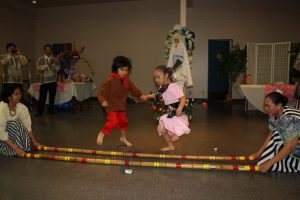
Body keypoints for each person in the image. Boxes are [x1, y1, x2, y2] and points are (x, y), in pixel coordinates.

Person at [96, 56, 144, 147]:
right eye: (122, 70)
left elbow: (134, 89)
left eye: (126, 70)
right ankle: (102, 133)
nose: (124, 72)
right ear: (116, 69)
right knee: (113, 122)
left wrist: (140, 95)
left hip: (121, 105)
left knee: (123, 122)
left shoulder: (126, 79)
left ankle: (123, 138)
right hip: (111, 105)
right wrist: (103, 101)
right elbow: (101, 93)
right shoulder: (110, 80)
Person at [142, 65, 190, 151]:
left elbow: (183, 98)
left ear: (166, 76)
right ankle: (170, 145)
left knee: (174, 130)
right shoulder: (162, 88)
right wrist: (147, 96)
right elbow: (156, 95)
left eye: (158, 77)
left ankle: (176, 134)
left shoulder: (173, 86)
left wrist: (180, 108)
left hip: (176, 112)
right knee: (162, 130)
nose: (156, 80)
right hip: (169, 112)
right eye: (155, 78)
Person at [251, 92, 300, 173]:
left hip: (295, 146)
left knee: (279, 138)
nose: (266, 108)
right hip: (294, 145)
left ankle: (293, 162)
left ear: (279, 105)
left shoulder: (288, 118)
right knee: (277, 133)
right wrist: (259, 152)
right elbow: (272, 133)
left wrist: (269, 163)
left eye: (268, 106)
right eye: (265, 105)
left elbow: (291, 146)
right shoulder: (275, 114)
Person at [0, 83, 40, 156]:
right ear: (9, 96)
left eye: (20, 94)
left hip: (10, 137)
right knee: (15, 124)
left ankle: (20, 148)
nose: (19, 96)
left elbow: (27, 127)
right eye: (16, 94)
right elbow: (1, 133)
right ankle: (12, 149)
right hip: (2, 139)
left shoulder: (22, 108)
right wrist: (16, 149)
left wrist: (34, 142)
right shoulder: (2, 108)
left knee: (26, 146)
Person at [36, 44, 60, 116]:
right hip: (44, 81)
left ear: (51, 50)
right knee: (42, 97)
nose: (48, 51)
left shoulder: (55, 59)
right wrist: (47, 65)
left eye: (49, 49)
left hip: (53, 81)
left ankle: (50, 111)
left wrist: (53, 65)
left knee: (52, 97)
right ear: (44, 50)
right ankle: (40, 112)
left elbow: (58, 68)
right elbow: (38, 68)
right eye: (46, 49)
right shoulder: (40, 59)